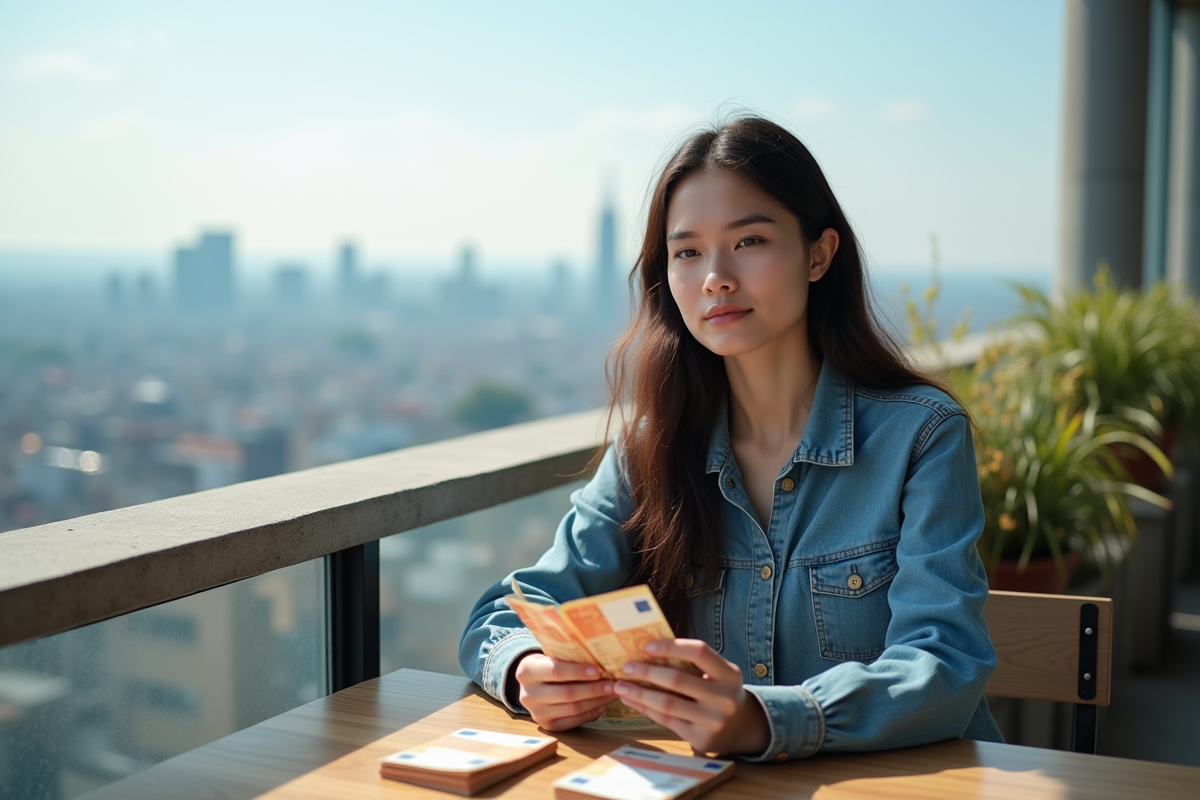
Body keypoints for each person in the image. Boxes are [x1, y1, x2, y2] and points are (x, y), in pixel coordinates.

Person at [459, 116, 1002, 761]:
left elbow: (943, 660)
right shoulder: (649, 449)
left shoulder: (921, 437)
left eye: (748, 241)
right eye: (686, 251)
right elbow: (512, 608)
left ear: (819, 254)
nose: (715, 276)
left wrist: (764, 719)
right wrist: (525, 670)